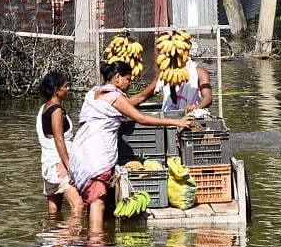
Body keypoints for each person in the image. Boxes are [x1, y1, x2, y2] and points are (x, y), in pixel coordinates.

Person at [69, 61, 192, 231]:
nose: (129, 84)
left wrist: (155, 82)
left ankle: (87, 239)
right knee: (98, 202)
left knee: (91, 199)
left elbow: (136, 100)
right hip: (95, 155)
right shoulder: (115, 97)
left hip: (80, 152)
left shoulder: (93, 93)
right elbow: (140, 118)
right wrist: (172, 121)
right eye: (128, 79)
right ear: (117, 77)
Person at [36, 71, 84, 216]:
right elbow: (59, 140)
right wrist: (69, 167)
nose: (68, 89)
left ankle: (52, 237)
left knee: (54, 210)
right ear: (57, 90)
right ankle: (67, 237)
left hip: (48, 164)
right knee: (78, 206)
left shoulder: (44, 108)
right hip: (59, 165)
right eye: (65, 86)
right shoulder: (56, 110)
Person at [152, 44, 213, 115]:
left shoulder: (199, 71)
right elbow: (151, 90)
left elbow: (208, 98)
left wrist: (196, 107)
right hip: (169, 115)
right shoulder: (166, 72)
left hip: (192, 116)